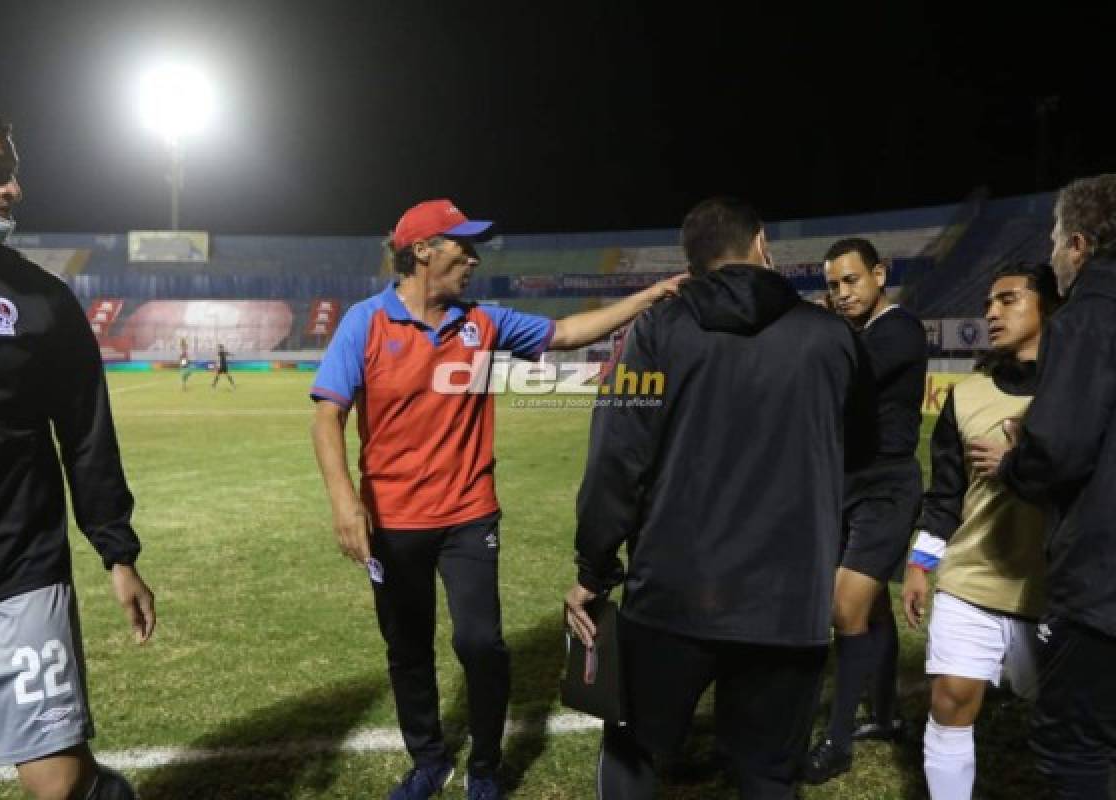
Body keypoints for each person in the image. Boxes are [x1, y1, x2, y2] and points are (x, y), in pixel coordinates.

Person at [310, 198, 684, 800]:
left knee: (480, 644)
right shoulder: (365, 322)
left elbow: (565, 333)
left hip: (468, 517)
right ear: (425, 250)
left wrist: (649, 295)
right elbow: (328, 416)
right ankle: (429, 761)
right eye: (464, 244)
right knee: (407, 649)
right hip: (392, 523)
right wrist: (344, 502)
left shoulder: (482, 322)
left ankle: (484, 765)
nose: (475, 256)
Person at [565, 196, 876, 799]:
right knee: (767, 773)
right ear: (761, 244)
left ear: (695, 263)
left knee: (634, 754)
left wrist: (594, 568)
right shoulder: (831, 337)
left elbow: (614, 457)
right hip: (789, 599)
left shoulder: (656, 330)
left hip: (672, 591)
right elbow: (861, 452)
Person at [0, 93, 154, 800]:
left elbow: (85, 435)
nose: (13, 188)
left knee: (61, 787)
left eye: (14, 171)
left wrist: (119, 551)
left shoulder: (40, 299)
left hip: (18, 577)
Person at [972, 174, 1116, 799]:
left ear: (1079, 245)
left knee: (1075, 747)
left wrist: (1013, 458)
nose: (1053, 252)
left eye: (1056, 239)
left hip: (1102, 582)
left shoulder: (1086, 318)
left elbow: (1059, 452)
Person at [902, 263, 1061, 800]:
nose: (992, 312)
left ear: (1049, 306)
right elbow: (945, 494)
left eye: (1009, 300)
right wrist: (922, 564)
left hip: (1059, 589)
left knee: (1072, 724)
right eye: (989, 302)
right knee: (950, 699)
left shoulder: (1085, 389)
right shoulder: (966, 394)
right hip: (973, 580)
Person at [804, 237, 928, 783]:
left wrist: (816, 328)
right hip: (849, 484)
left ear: (880, 275)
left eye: (851, 280)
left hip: (886, 488)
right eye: (833, 285)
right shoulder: (857, 331)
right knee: (870, 609)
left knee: (844, 609)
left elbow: (847, 381)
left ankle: (836, 745)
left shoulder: (897, 329)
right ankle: (884, 717)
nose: (841, 293)